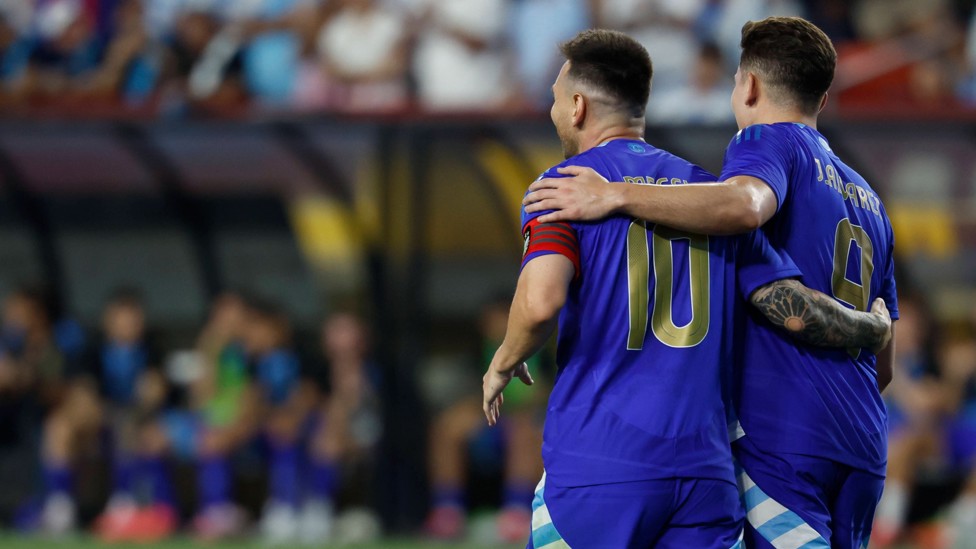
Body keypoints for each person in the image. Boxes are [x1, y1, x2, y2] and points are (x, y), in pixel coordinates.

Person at [482, 28, 891, 548]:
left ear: (578, 107)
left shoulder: (565, 187)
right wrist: (868, 327)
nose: (551, 111)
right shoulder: (707, 195)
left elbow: (541, 301)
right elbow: (785, 304)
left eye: (555, 101)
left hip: (600, 460)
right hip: (707, 476)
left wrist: (502, 361)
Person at [425, 296, 547, 542]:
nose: (494, 325)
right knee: (447, 427)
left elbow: (546, 392)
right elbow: (466, 394)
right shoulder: (475, 354)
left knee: (523, 430)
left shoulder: (538, 348)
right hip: (486, 420)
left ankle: (517, 512)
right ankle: (448, 510)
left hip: (527, 424)